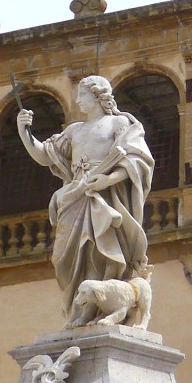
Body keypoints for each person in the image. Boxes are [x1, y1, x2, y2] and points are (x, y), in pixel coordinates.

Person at [16, 74, 154, 307]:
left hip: (105, 196)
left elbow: (137, 160)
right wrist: (24, 131)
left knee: (100, 248)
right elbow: (44, 156)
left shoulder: (119, 123)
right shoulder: (74, 131)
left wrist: (108, 179)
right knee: (67, 255)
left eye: (82, 94)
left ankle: (100, 303)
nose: (78, 100)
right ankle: (80, 306)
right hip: (75, 195)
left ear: (98, 96)